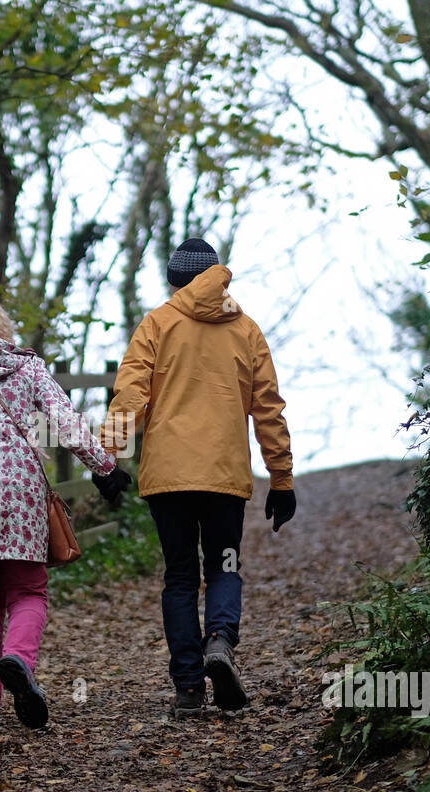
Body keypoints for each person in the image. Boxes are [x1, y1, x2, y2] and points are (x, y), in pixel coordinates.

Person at [98, 238, 296, 718]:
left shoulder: (158, 324)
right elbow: (267, 407)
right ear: (217, 277)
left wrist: (108, 459)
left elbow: (130, 397)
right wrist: (282, 478)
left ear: (175, 281)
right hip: (224, 479)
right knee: (225, 565)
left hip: (169, 479)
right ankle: (220, 644)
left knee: (181, 577)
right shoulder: (246, 330)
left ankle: (189, 687)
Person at [0, 294, 132, 729]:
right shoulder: (28, 368)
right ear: (2, 329)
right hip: (21, 493)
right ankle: (17, 658)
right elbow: (66, 422)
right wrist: (105, 469)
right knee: (29, 591)